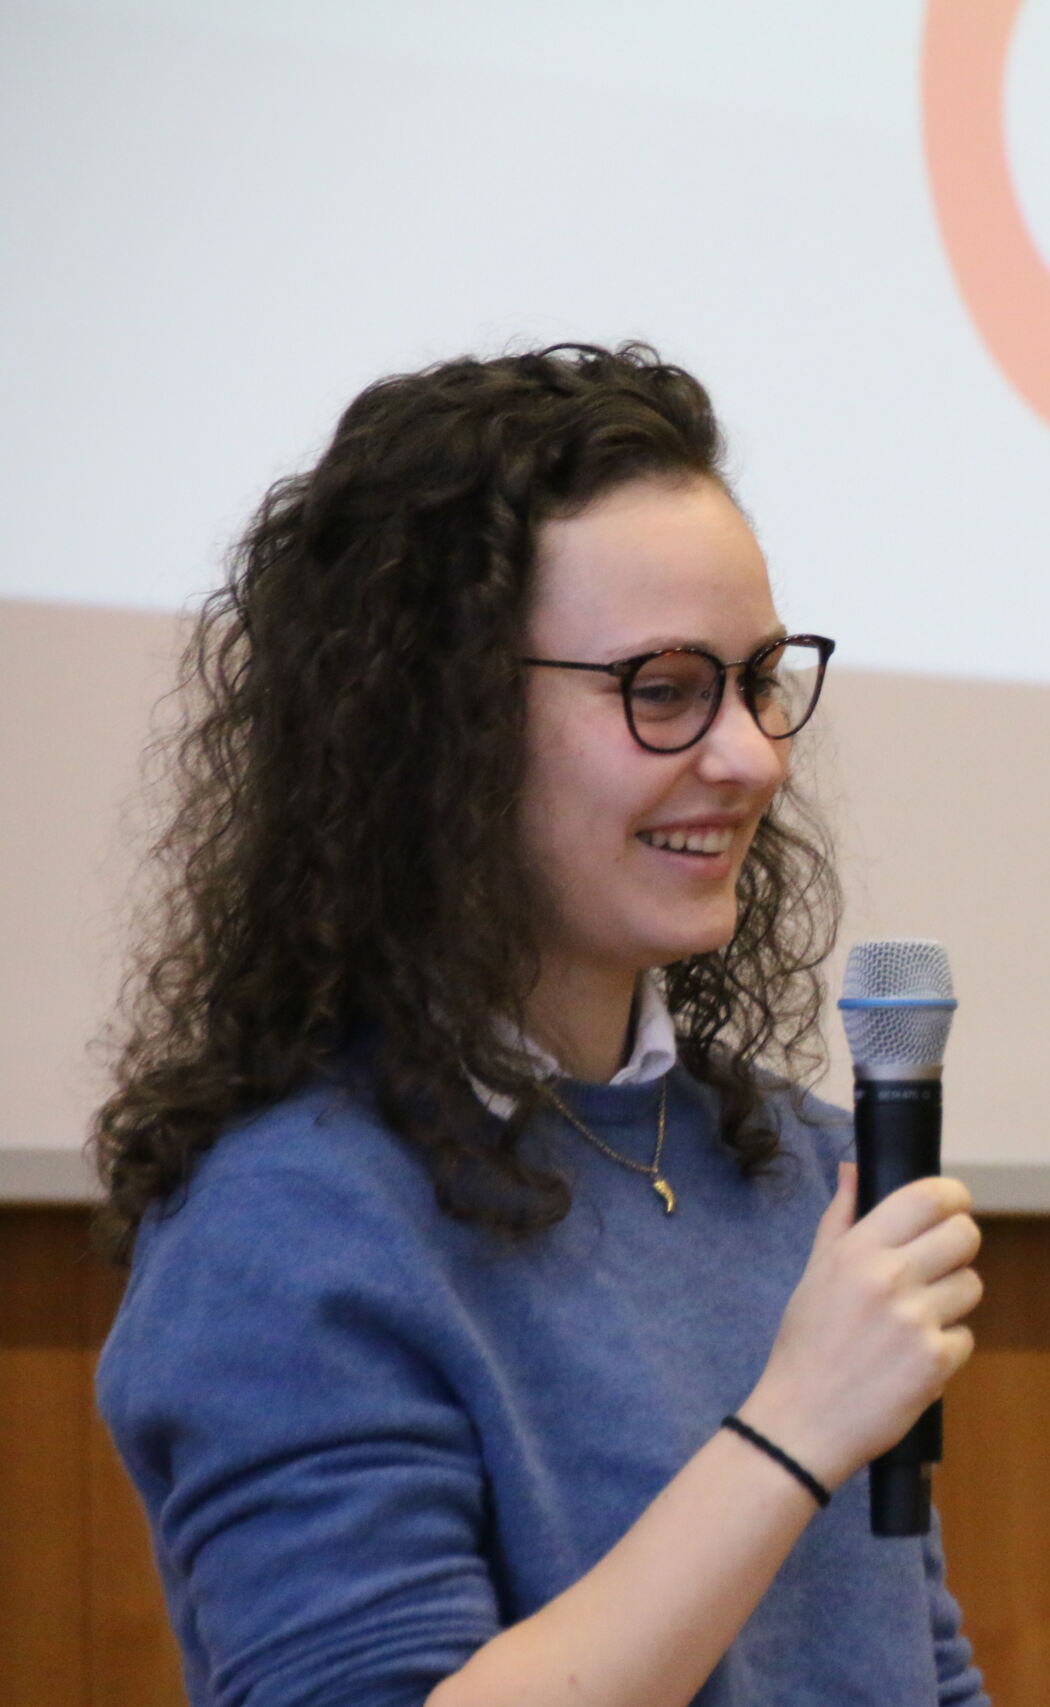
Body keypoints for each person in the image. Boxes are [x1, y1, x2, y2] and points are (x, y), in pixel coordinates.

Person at [92, 345, 988, 1707]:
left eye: (758, 680)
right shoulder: (287, 1222)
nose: (750, 755)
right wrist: (797, 1423)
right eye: (665, 688)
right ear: (432, 730)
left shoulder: (801, 1170)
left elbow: (916, 1671)